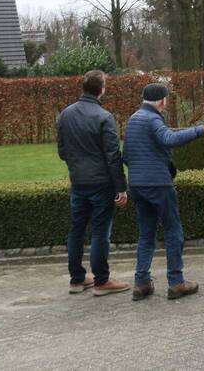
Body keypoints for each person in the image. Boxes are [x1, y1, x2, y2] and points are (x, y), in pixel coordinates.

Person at [122, 83, 204, 301]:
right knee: (173, 231)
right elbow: (169, 139)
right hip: (158, 185)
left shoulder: (134, 119)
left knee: (146, 234)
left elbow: (126, 155)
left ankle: (141, 283)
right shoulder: (153, 119)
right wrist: (201, 129)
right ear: (161, 101)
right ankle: (176, 283)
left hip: (137, 185)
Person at [56, 70, 131, 296]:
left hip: (78, 182)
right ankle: (101, 281)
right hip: (101, 184)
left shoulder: (65, 115)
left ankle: (77, 279)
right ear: (102, 89)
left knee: (77, 230)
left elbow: (62, 152)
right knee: (100, 232)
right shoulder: (104, 117)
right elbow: (112, 155)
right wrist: (121, 187)